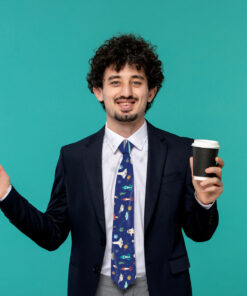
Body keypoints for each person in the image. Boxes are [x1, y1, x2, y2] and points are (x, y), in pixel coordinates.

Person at [0, 34, 224, 296]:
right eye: (115, 82)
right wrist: (6, 194)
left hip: (163, 286)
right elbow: (52, 234)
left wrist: (204, 202)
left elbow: (200, 233)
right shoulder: (73, 158)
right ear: (98, 91)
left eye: (136, 82)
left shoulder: (181, 152)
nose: (126, 92)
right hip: (95, 287)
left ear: (151, 91)